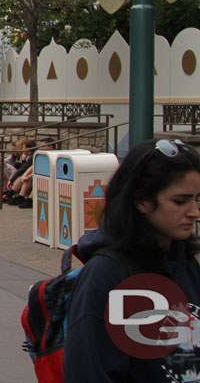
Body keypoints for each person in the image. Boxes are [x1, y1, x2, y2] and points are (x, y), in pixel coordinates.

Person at [64, 138, 200, 381]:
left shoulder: (184, 261)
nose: (194, 212)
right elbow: (89, 370)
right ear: (141, 201)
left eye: (196, 199)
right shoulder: (108, 273)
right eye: (180, 201)